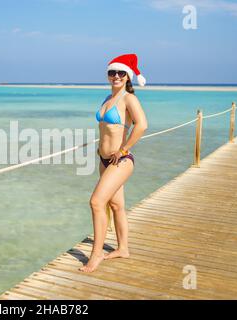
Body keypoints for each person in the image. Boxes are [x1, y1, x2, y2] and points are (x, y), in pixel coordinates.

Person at [79, 54, 148, 273]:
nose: (116, 76)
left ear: (128, 76)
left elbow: (142, 125)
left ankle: (96, 254)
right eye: (112, 72)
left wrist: (124, 149)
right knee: (116, 205)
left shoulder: (129, 99)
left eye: (120, 73)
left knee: (96, 202)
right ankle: (123, 248)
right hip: (104, 160)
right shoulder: (106, 99)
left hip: (122, 160)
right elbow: (106, 130)